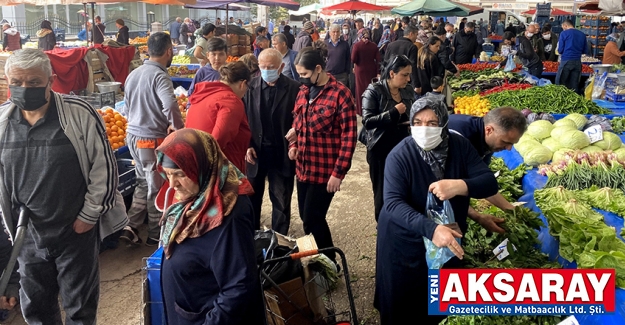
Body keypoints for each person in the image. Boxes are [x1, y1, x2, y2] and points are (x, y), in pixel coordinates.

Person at [0, 48, 127, 324]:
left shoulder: (78, 114)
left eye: (33, 82)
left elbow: (104, 167)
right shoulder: (2, 122)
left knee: (80, 308)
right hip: (28, 237)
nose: (24, 88)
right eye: (17, 83)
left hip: (74, 232)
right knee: (36, 309)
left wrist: (88, 216)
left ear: (51, 80)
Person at [374, 96, 499, 325]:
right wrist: (431, 230)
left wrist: (460, 185)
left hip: (447, 240)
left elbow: (489, 182)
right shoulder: (400, 155)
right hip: (405, 242)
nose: (424, 129)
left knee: (439, 301)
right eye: (418, 122)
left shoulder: (459, 146)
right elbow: (392, 204)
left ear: (443, 123)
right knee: (405, 304)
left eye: (432, 123)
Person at [157, 129, 264, 325]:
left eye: (180, 174)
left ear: (202, 167)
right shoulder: (196, 198)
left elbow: (238, 287)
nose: (173, 184)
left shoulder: (228, 216)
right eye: (169, 174)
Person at [289, 42, 357, 263]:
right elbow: (297, 124)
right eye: (299, 74)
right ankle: (320, 260)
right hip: (303, 167)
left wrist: (339, 172)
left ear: (319, 69)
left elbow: (349, 136)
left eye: (305, 73)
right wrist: (293, 145)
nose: (302, 78)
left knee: (313, 218)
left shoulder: (341, 95)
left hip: (325, 171)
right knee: (306, 218)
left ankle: (330, 262)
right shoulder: (302, 92)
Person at [121, 32, 184, 246]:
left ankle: (131, 226)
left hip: (132, 136)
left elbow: (126, 108)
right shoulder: (160, 76)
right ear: (169, 51)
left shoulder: (134, 73)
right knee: (156, 186)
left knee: (143, 181)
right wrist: (178, 129)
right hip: (150, 140)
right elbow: (170, 104)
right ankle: (156, 233)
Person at [243, 49, 300, 233]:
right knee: (251, 201)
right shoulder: (249, 88)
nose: (267, 70)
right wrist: (247, 145)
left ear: (281, 67)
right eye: (263, 67)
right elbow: (242, 121)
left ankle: (279, 245)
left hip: (281, 152)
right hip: (256, 153)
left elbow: (299, 119)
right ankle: (251, 241)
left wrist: (296, 135)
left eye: (271, 67)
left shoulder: (294, 88)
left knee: (281, 203)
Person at [448, 106, 527, 227]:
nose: (509, 148)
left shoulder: (487, 141)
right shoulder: (459, 139)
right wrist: (476, 215)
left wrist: (510, 210)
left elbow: (481, 181)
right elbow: (448, 188)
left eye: (512, 144)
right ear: (489, 130)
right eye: (506, 142)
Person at [360, 54, 414, 221]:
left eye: (409, 74)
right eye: (404, 75)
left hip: (402, 148)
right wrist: (392, 113)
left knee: (403, 188)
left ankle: (399, 222)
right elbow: (367, 121)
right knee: (382, 192)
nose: (408, 78)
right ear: (392, 73)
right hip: (380, 150)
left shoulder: (408, 90)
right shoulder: (374, 91)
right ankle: (383, 225)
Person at [186, 61, 251, 173]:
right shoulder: (231, 101)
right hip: (219, 168)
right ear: (243, 84)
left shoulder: (204, 94)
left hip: (195, 159)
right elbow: (219, 138)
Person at [352, 28, 381, 115]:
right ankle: (370, 109)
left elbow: (353, 59)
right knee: (370, 90)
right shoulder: (374, 45)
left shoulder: (357, 45)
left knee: (360, 90)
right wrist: (378, 72)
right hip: (371, 70)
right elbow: (379, 60)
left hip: (360, 70)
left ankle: (361, 110)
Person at [556, 19, 588, 93]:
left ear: (565, 25)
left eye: (563, 27)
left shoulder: (564, 34)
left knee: (561, 84)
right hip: (577, 62)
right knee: (574, 85)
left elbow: (560, 50)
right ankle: (573, 101)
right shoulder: (582, 34)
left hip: (566, 61)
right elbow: (585, 51)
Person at [384, 24, 419, 90]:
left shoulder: (391, 45)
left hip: (391, 80)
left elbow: (385, 63)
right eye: (416, 35)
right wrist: (416, 85)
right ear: (411, 34)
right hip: (405, 82)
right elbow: (413, 67)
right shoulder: (412, 47)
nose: (416, 38)